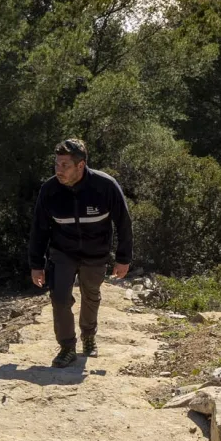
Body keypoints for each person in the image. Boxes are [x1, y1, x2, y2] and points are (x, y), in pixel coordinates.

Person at [28, 138, 132, 368]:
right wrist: (36, 264)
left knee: (91, 293)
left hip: (96, 252)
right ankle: (67, 347)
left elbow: (123, 223)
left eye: (65, 165)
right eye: (56, 164)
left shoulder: (105, 186)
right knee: (59, 298)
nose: (59, 170)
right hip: (62, 252)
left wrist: (123, 258)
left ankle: (89, 335)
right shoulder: (50, 190)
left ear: (81, 165)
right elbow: (39, 228)